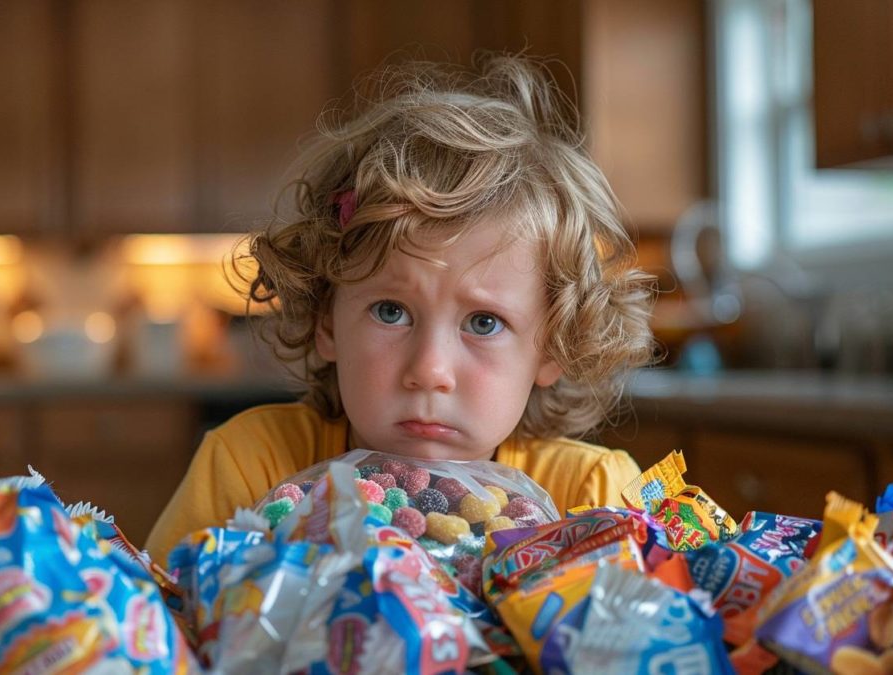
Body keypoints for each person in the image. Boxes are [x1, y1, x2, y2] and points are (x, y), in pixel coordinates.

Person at [146, 53, 656, 567]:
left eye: (484, 323)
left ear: (552, 345)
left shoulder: (595, 495)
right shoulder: (252, 463)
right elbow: (158, 626)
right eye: (391, 311)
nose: (430, 371)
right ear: (327, 320)